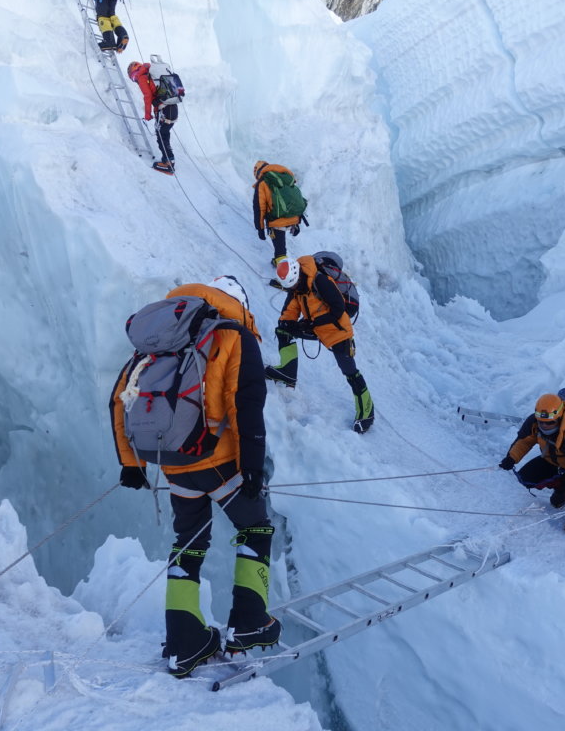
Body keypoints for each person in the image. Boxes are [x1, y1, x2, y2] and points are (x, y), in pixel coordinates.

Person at [109, 275, 281, 677]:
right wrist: (252, 467)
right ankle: (251, 623)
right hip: (219, 461)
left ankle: (186, 642)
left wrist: (131, 464)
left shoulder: (162, 335)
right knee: (254, 528)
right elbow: (247, 404)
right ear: (236, 301)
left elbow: (120, 398)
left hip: (174, 462)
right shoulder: (233, 334)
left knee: (187, 543)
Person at [265, 256, 374, 433]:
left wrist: (313, 323)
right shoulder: (297, 287)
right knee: (283, 330)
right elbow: (290, 309)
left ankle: (367, 413)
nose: (292, 290)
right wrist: (288, 323)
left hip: (337, 330)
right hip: (316, 326)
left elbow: (338, 308)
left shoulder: (320, 281)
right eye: (289, 288)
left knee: (349, 370)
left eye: (292, 286)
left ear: (297, 276)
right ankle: (287, 372)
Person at [497, 393, 565, 532]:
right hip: (557, 460)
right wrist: (511, 458)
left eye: (549, 422)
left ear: (559, 417)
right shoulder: (535, 421)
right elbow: (525, 440)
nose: (544, 425)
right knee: (525, 479)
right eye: (541, 422)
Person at [128, 61, 178, 174]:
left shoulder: (142, 76)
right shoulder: (151, 74)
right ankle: (168, 159)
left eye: (133, 78)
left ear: (135, 72)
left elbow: (147, 96)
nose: (135, 80)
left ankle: (169, 164)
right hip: (172, 107)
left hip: (165, 109)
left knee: (161, 135)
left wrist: (147, 114)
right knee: (164, 133)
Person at [253, 161, 306, 265]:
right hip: (294, 217)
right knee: (280, 252)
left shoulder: (262, 183)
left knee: (280, 254)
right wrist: (298, 219)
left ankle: (285, 274)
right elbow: (294, 198)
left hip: (277, 221)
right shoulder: (286, 176)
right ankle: (282, 263)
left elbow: (259, 208)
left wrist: (260, 228)